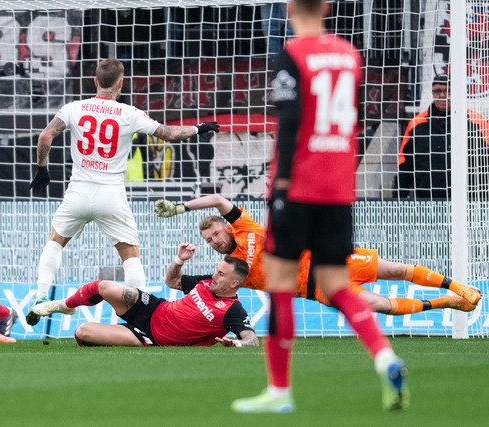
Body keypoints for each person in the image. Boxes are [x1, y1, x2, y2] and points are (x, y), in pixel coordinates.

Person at [245, 0, 406, 412]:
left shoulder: (291, 54)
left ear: (288, 7)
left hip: (296, 187)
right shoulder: (349, 54)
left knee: (280, 285)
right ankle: (385, 356)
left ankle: (279, 391)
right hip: (338, 189)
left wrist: (279, 184)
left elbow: (292, 118)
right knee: (337, 286)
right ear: (328, 6)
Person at [26, 58, 219, 326]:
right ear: (121, 83)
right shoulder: (129, 113)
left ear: (95, 81)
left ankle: (41, 295)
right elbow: (169, 134)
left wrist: (42, 169)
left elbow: (45, 136)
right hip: (111, 194)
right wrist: (199, 128)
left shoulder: (74, 108)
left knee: (55, 241)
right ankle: (136, 320)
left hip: (78, 191)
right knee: (130, 256)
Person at [155, 195, 482, 314]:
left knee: (395, 271)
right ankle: (447, 303)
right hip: (317, 290)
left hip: (328, 259)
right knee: (379, 306)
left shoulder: (246, 228)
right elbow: (173, 283)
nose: (213, 241)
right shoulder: (228, 273)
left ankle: (458, 287)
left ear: (225, 228)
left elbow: (216, 198)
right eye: (209, 241)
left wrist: (180, 207)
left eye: (215, 234)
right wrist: (179, 260)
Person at [31, 244, 258, 347]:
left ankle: (109, 335)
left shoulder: (233, 310)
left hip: (152, 337)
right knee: (103, 286)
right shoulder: (206, 282)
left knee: (83, 332)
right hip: (155, 308)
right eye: (217, 270)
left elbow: (252, 339)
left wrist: (236, 344)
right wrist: (179, 261)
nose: (215, 275)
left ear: (234, 283)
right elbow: (172, 282)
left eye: (221, 273)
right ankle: (64, 305)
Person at [395, 73, 489, 199]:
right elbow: (405, 165)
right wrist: (397, 200)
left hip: (470, 203)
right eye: (437, 91)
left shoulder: (477, 122)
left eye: (448, 91)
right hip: (428, 203)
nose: (442, 95)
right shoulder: (416, 124)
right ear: (432, 93)